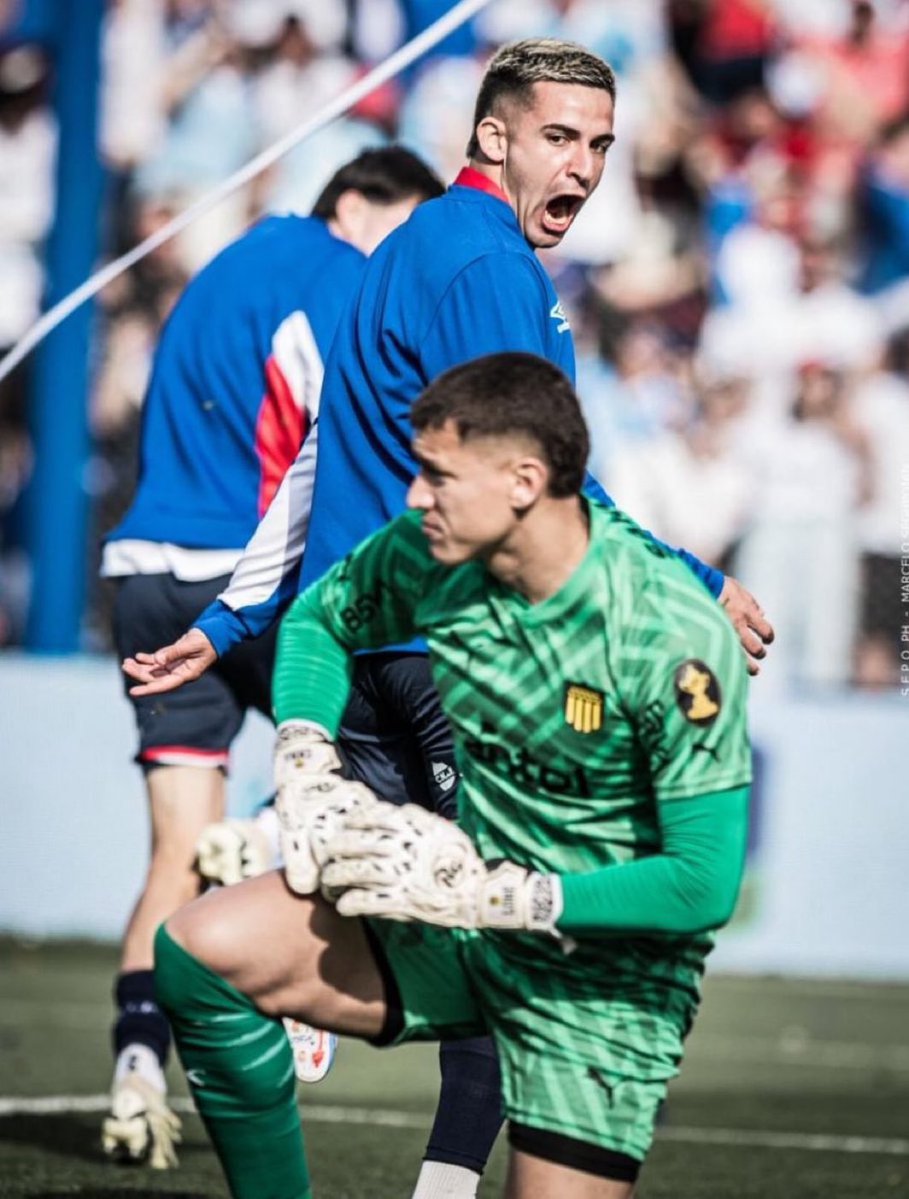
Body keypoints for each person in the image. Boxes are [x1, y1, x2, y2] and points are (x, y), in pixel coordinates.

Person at [124, 37, 772, 1197]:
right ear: (491, 135)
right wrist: (692, 576)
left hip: (367, 649)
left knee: (241, 951)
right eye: (560, 137)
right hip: (459, 660)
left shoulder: (406, 250)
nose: (583, 167)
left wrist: (233, 626)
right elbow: (538, 480)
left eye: (601, 147)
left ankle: (293, 858)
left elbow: (320, 457)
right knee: (520, 941)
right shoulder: (483, 265)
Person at [152, 351, 753, 1199]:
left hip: (599, 981)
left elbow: (701, 885)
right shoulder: (428, 552)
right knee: (199, 950)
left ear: (522, 480)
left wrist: (500, 898)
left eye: (437, 476)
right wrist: (304, 756)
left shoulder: (667, 633)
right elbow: (322, 618)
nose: (412, 497)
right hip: (462, 930)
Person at [100, 146, 444, 1169]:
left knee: (172, 849)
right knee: (356, 775)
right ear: (357, 203)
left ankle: (134, 1070)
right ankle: (266, 849)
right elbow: (337, 423)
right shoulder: (339, 275)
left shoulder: (220, 265)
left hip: (143, 569)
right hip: (244, 572)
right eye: (408, 227)